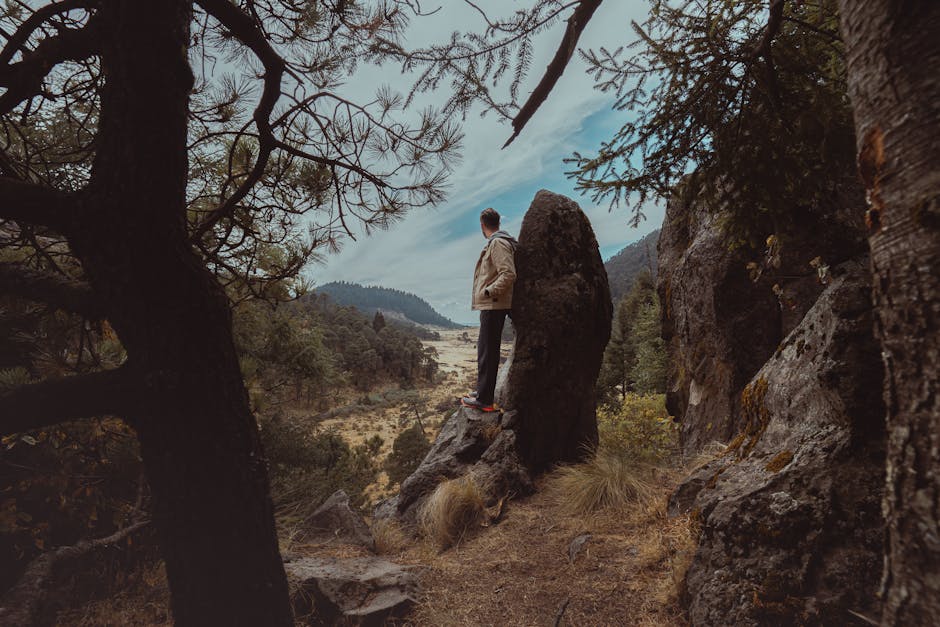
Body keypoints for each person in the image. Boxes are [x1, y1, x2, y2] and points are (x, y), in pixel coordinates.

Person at [461, 207, 517, 411]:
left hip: (494, 304)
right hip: (493, 304)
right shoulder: (500, 241)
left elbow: (508, 274)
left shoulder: (498, 243)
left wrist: (488, 292)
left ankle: (484, 400)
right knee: (486, 350)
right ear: (498, 223)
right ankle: (483, 391)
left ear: (482, 225)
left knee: (487, 352)